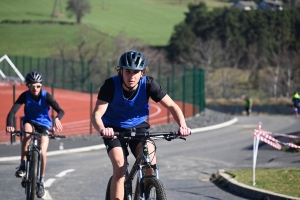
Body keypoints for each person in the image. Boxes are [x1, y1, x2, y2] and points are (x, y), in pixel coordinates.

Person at [91, 50, 191, 199]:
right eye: (128, 72)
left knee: (150, 163)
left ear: (142, 73)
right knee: (120, 168)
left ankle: (145, 188)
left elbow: (172, 106)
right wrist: (103, 129)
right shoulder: (110, 85)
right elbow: (97, 114)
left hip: (139, 128)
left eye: (136, 72)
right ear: (121, 71)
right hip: (114, 129)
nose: (131, 76)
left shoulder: (149, 84)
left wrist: (182, 126)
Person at [6, 71, 64, 198]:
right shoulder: (24, 96)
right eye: (32, 86)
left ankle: (41, 181)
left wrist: (57, 119)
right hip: (30, 121)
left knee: (42, 152)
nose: (35, 89)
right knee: (27, 135)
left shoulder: (46, 96)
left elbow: (60, 110)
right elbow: (12, 112)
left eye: (38, 86)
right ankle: (22, 165)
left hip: (44, 124)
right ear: (28, 86)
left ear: (41, 85)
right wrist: (10, 124)